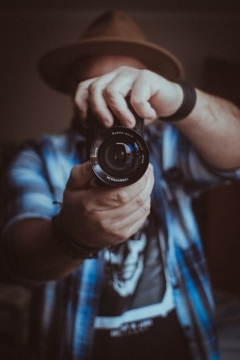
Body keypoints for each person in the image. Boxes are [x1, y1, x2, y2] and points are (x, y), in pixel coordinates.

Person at [1, 9, 240, 360]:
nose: (109, 98)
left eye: (122, 86)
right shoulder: (39, 156)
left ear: (147, 89)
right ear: (72, 89)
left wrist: (178, 99)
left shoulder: (169, 145)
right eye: (94, 85)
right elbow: (20, 257)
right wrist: (71, 235)